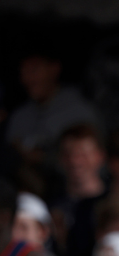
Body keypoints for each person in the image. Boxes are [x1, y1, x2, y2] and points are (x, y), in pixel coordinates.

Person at [4, 50, 99, 195]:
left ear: (54, 69)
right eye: (23, 72)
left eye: (34, 70)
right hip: (27, 193)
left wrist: (42, 158)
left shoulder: (78, 110)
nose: (27, 78)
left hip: (74, 192)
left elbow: (89, 162)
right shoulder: (19, 116)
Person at [51, 124, 106, 256]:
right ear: (60, 159)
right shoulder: (50, 203)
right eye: (68, 154)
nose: (75, 161)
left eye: (83, 154)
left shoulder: (113, 202)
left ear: (99, 156)